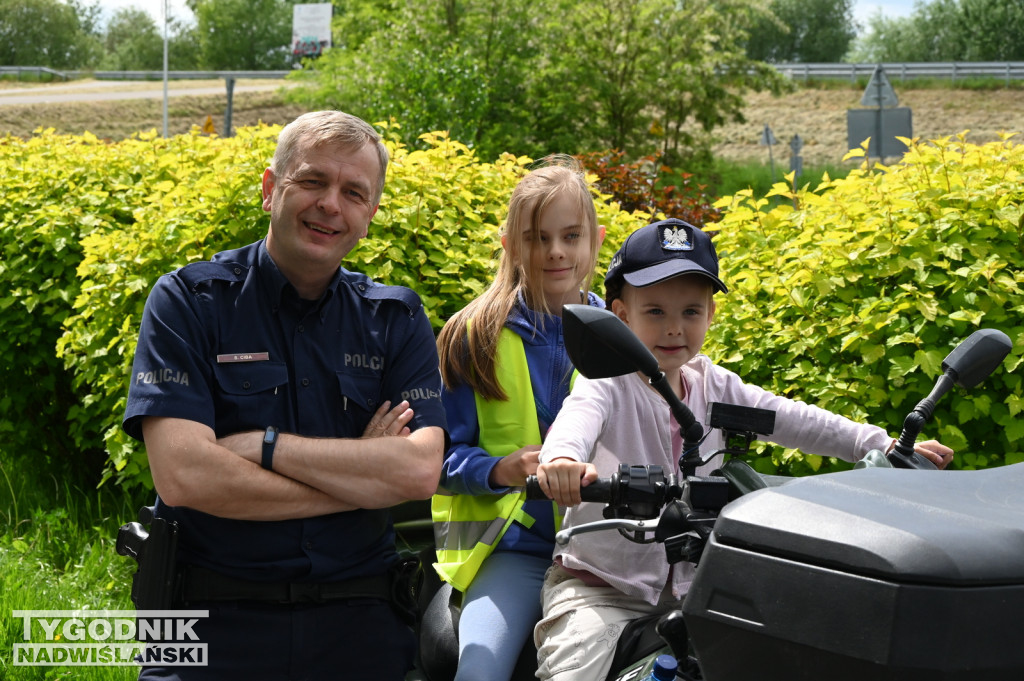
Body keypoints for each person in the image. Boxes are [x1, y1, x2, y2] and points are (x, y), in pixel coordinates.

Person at [532, 218, 954, 681]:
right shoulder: (608, 384)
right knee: (576, 670)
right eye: (655, 311)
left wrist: (880, 444)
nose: (674, 328)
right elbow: (575, 422)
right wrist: (562, 462)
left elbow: (791, 419)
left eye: (691, 312)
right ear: (620, 316)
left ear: (711, 314)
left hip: (702, 588)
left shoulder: (715, 386)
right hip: (603, 592)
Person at [122, 110, 448, 681]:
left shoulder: (395, 318)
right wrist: (361, 484)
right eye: (313, 181)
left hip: (360, 622)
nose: (330, 204)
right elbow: (186, 476)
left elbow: (417, 473)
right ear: (271, 189)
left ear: (369, 216)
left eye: (353, 192)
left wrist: (261, 446)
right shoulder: (188, 303)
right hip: (209, 621)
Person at [431, 156, 606, 681]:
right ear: (510, 245)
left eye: (570, 235)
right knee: (478, 674)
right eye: (536, 237)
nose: (555, 251)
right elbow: (436, 459)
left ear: (594, 239)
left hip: (605, 560)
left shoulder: (622, 335)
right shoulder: (472, 336)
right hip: (516, 555)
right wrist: (498, 469)